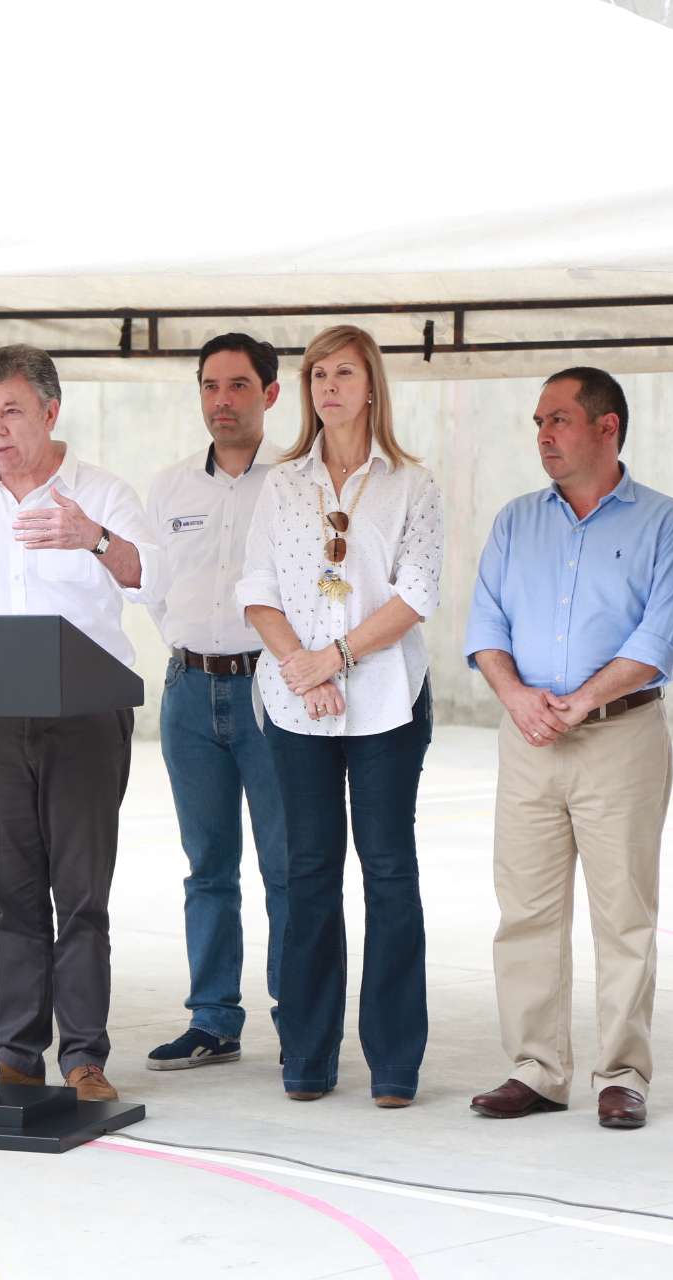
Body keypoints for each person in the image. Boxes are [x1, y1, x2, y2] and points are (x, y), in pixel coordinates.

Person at [0, 344, 159, 1102]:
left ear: (51, 411)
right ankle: (16, 1052)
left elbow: (153, 578)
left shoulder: (101, 494)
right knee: (10, 892)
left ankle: (83, 1057)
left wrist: (95, 539)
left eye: (11, 411)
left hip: (83, 718)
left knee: (79, 896)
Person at [463, 368, 673, 1129]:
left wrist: (583, 699)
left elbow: (663, 636)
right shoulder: (515, 522)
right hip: (528, 738)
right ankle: (535, 1069)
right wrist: (516, 696)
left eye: (559, 420)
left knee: (624, 915)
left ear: (607, 427)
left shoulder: (665, 523)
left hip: (621, 737)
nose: (543, 435)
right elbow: (485, 624)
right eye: (538, 422)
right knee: (525, 912)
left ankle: (623, 1074)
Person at [237, 325, 440, 1106]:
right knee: (309, 873)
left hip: (385, 700)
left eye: (343, 373)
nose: (328, 386)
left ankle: (394, 1063)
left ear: (371, 385)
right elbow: (257, 589)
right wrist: (302, 665)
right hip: (298, 703)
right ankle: (308, 1055)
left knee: (388, 873)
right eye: (318, 374)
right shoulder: (282, 483)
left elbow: (416, 593)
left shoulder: (412, 483)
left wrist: (337, 658)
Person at [142, 333, 288, 1071]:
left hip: (273, 692)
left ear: (270, 394)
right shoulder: (170, 486)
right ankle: (213, 1019)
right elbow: (154, 588)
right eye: (209, 385)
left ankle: (299, 1015)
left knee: (287, 865)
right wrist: (193, 650)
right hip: (189, 693)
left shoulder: (296, 481)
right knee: (207, 867)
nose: (221, 401)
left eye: (237, 386)